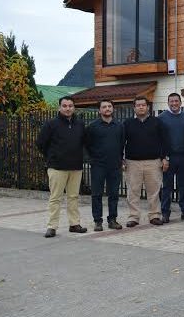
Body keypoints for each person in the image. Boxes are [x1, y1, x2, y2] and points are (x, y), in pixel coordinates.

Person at [36, 96, 87, 238]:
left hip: (76, 167)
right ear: (59, 107)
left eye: (70, 106)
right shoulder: (51, 124)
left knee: (73, 197)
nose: (68, 108)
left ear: (74, 108)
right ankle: (52, 227)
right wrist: (51, 157)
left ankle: (74, 224)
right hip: (57, 167)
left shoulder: (80, 124)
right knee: (55, 198)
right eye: (64, 106)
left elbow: (84, 143)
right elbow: (41, 143)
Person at [123, 96, 168, 228]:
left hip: (153, 162)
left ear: (148, 107)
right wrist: (122, 158)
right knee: (133, 191)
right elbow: (121, 142)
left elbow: (164, 141)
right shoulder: (127, 123)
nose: (141, 107)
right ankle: (133, 217)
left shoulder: (157, 122)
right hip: (132, 163)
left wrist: (164, 158)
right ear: (134, 108)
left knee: (154, 191)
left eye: (143, 105)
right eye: (138, 105)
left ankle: (154, 215)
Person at [85, 99, 124, 232]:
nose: (107, 108)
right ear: (99, 110)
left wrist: (120, 160)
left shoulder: (119, 126)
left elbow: (122, 144)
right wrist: (94, 158)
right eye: (104, 107)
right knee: (97, 194)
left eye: (109, 106)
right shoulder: (92, 126)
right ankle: (97, 221)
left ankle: (112, 220)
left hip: (115, 166)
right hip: (98, 166)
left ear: (113, 109)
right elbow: (87, 145)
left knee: (113, 194)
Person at [158, 93, 184, 222]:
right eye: (171, 101)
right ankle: (165, 213)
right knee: (167, 187)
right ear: (168, 103)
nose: (174, 104)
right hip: (168, 158)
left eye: (176, 101)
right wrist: (163, 157)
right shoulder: (161, 118)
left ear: (180, 102)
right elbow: (159, 140)